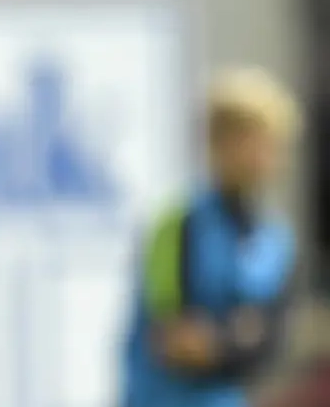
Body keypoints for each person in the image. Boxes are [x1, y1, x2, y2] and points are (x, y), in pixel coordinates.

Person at [121, 67, 301, 407]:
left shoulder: (276, 240)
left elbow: (274, 344)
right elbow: (177, 341)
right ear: (217, 143)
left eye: (272, 142)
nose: (264, 155)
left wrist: (223, 341)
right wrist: (238, 336)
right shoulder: (177, 225)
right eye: (249, 139)